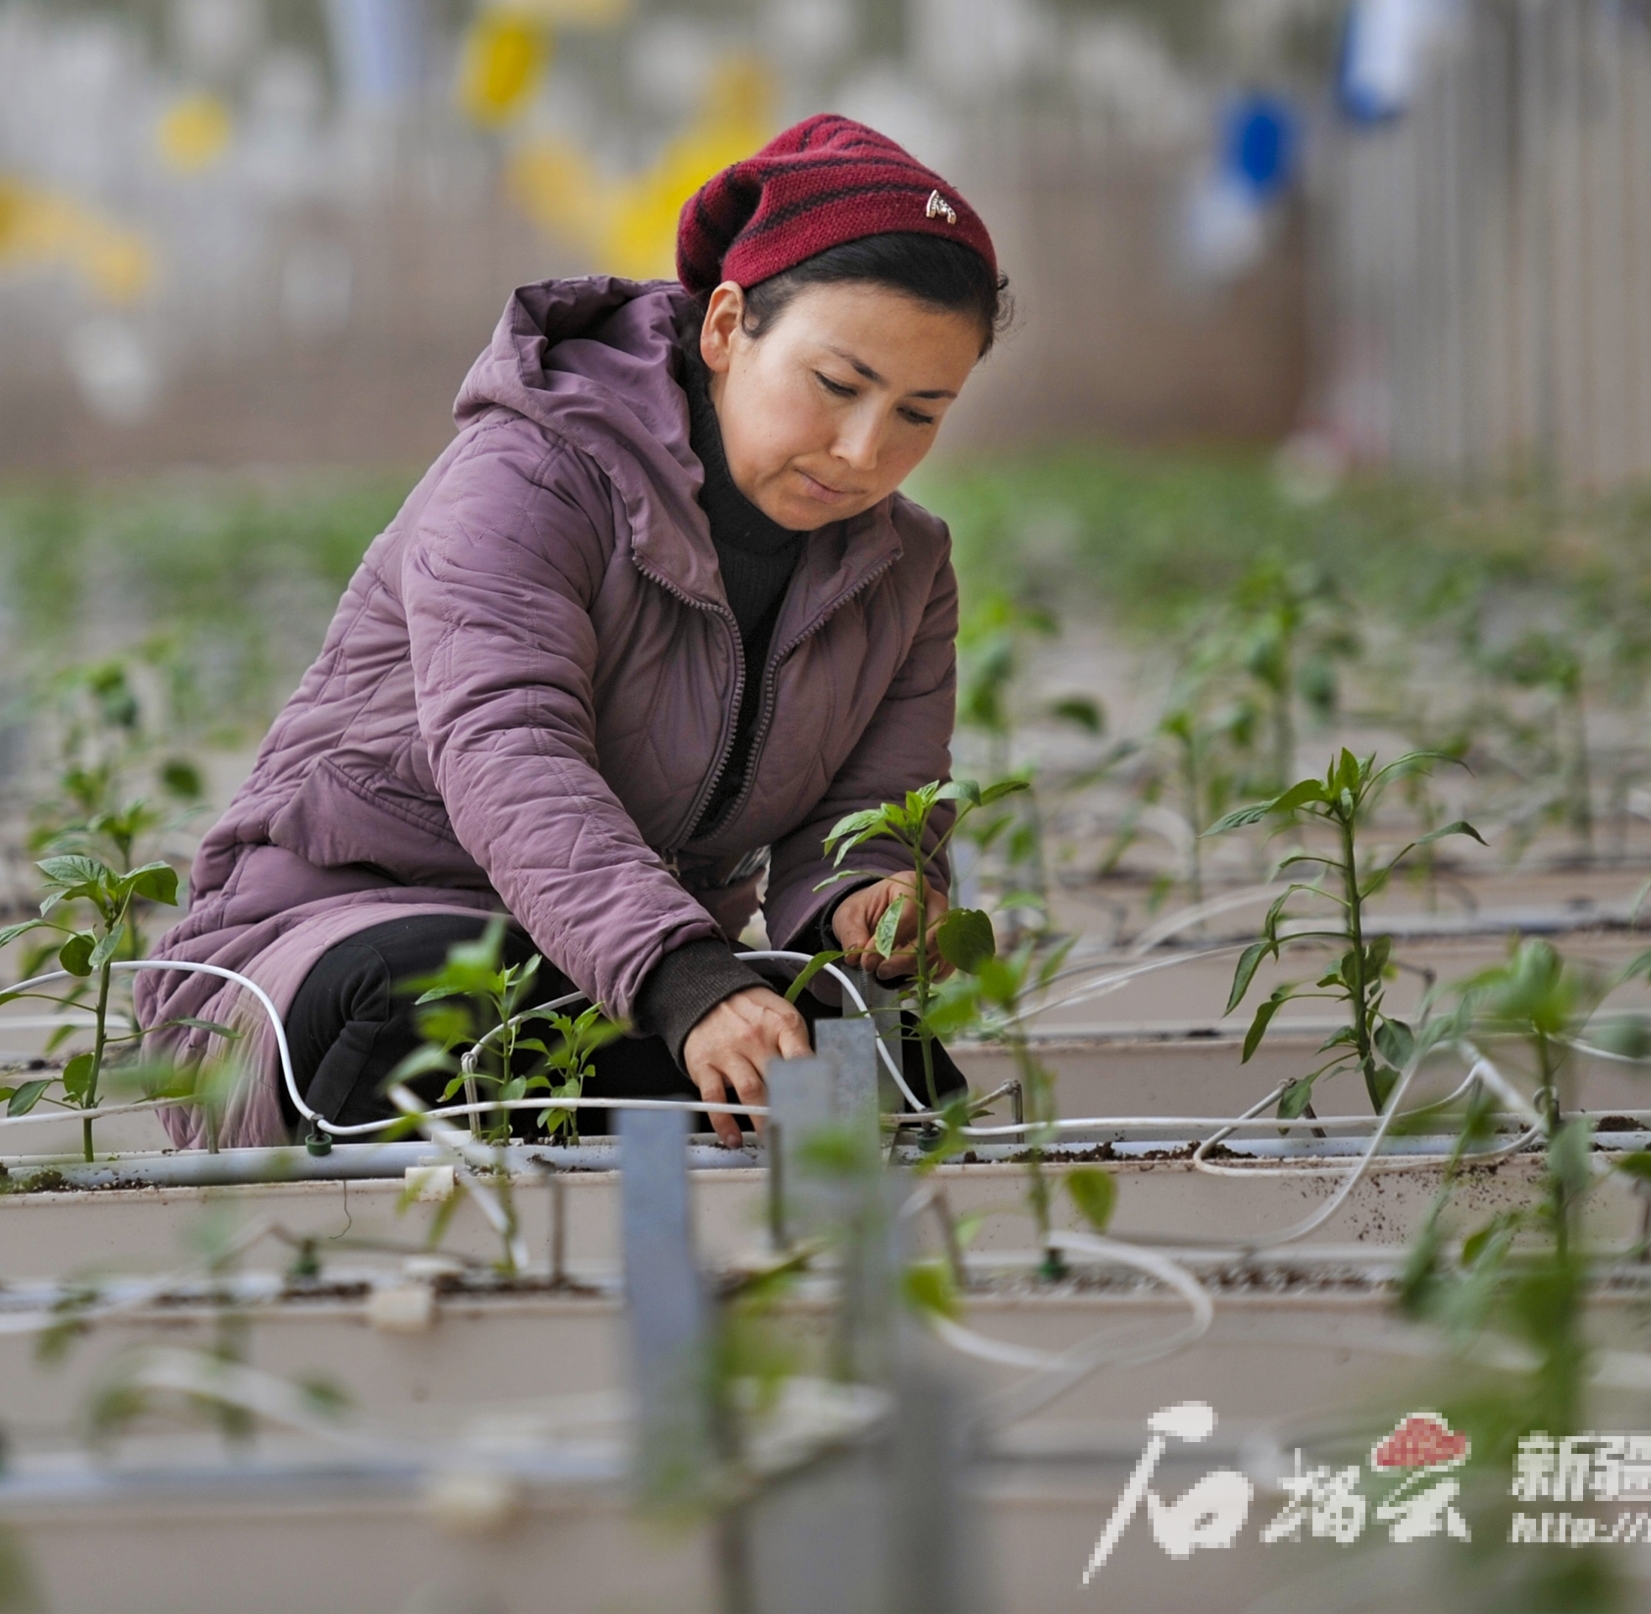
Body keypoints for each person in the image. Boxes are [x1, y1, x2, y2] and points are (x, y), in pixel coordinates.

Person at [136, 114, 1009, 1149]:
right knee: (437, 1016)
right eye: (837, 386)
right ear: (729, 326)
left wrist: (870, 900)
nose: (867, 451)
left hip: (606, 969)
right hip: (331, 950)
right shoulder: (530, 476)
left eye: (920, 413)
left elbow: (864, 813)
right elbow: (509, 749)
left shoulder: (901, 573)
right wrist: (684, 981)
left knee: (894, 1083)